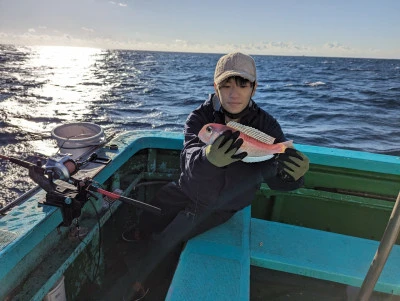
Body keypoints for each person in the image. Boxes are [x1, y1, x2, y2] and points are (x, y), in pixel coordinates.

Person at [110, 52, 309, 301]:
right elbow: (189, 156)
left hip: (219, 206)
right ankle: (141, 235)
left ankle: (141, 286)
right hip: (185, 189)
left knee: (165, 243)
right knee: (151, 213)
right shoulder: (200, 118)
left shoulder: (267, 126)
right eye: (225, 85)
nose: (233, 93)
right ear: (216, 87)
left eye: (242, 84)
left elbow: (273, 172)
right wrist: (208, 159)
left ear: (254, 88)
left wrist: (292, 177)